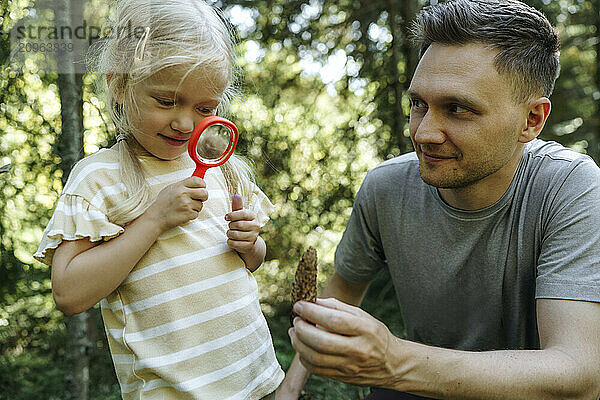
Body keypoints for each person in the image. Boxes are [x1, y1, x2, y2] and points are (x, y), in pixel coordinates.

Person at [277, 0, 600, 399]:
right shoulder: (386, 187)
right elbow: (342, 290)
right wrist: (289, 391)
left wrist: (393, 361)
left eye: (458, 108)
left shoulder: (569, 186)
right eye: (418, 104)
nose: (424, 132)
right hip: (418, 383)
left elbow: (578, 374)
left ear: (531, 120)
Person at [34, 1, 284, 398]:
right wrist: (152, 221)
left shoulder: (221, 164)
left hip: (257, 380)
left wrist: (250, 243)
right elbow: (68, 292)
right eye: (167, 101)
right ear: (120, 83)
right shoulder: (98, 178)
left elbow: (251, 262)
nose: (185, 123)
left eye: (204, 108)